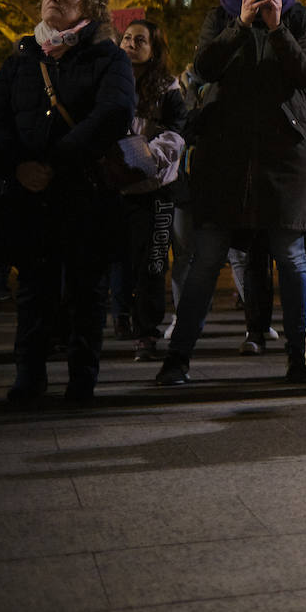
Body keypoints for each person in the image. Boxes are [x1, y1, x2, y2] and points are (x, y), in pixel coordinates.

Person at [155, 0, 306, 386]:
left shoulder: (300, 15)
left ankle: (299, 356)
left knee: (290, 256)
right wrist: (241, 25)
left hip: (285, 157)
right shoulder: (219, 16)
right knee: (207, 255)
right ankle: (178, 358)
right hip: (224, 157)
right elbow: (203, 69)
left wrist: (277, 27)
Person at [0, 0, 135, 403]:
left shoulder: (107, 56)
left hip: (84, 194)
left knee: (85, 291)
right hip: (29, 196)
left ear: (89, 8)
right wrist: (18, 166)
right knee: (33, 292)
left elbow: (113, 113)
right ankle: (29, 378)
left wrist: (55, 161)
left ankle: (81, 380)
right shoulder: (20, 60)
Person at [112, 20, 187, 362]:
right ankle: (119, 315)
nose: (130, 43)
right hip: (113, 186)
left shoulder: (167, 88)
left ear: (154, 48)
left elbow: (176, 132)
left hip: (154, 189)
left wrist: (144, 159)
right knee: (119, 259)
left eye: (139, 40)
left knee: (152, 263)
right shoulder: (109, 81)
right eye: (126, 37)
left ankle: (146, 332)